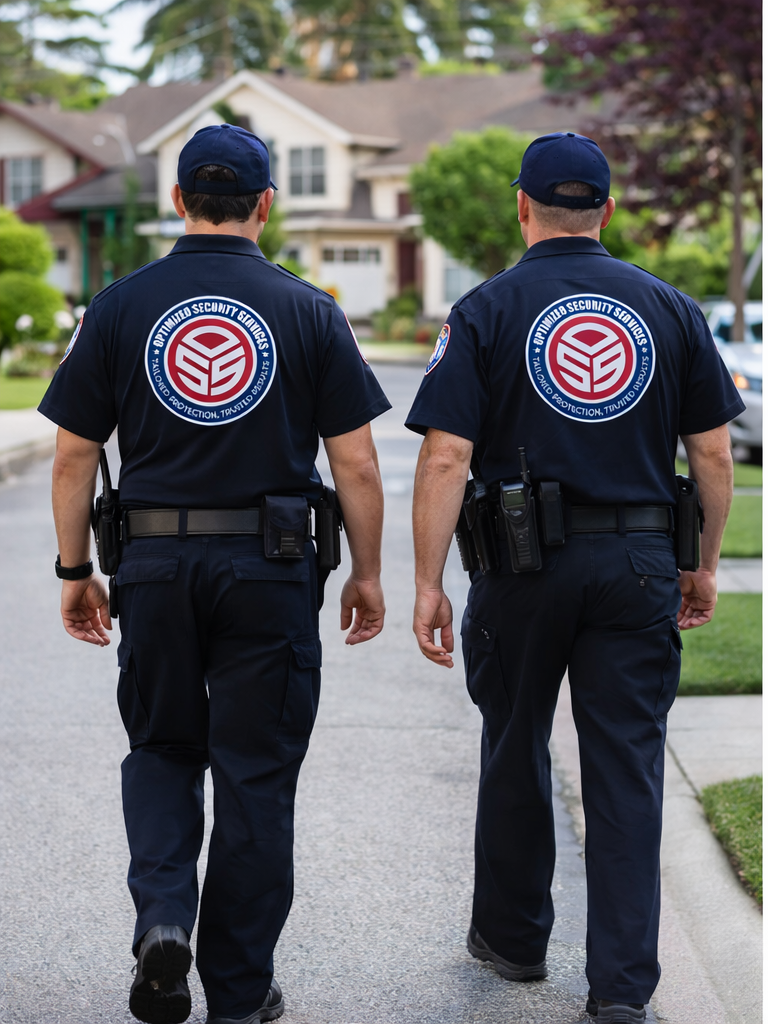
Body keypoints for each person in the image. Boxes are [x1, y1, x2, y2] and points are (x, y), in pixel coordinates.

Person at [40, 123, 390, 1024]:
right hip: (269, 572)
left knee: (161, 748)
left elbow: (74, 452)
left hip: (151, 566)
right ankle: (238, 992)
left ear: (178, 200)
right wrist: (368, 573)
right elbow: (355, 463)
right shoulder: (309, 310)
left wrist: (75, 567)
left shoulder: (117, 307)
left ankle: (164, 920)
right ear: (266, 204)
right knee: (256, 772)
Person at [406, 132, 743, 1023]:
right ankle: (622, 991)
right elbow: (711, 448)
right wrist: (701, 564)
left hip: (520, 568)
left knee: (515, 742)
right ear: (609, 209)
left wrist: (428, 581)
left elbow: (446, 456)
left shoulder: (486, 309)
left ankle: (514, 943)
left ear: (521, 206)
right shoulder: (669, 308)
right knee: (626, 769)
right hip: (637, 563)